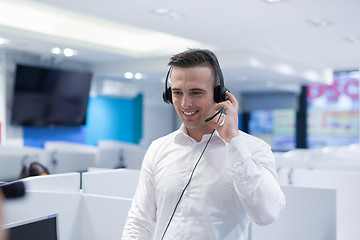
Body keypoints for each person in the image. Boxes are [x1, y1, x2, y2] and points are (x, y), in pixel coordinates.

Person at [122, 49, 286, 240]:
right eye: (177, 92)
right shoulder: (158, 148)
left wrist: (234, 141)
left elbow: (267, 215)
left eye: (196, 92)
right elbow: (139, 222)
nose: (185, 103)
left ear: (220, 95)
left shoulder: (254, 149)